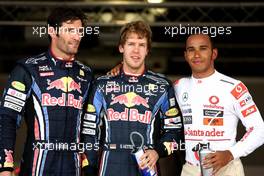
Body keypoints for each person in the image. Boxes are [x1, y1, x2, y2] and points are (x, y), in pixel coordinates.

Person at [81, 21, 184, 176]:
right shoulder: (101, 85)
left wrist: (157, 151)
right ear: (121, 47)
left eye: (142, 45)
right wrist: (88, 168)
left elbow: (175, 131)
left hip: (146, 164)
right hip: (109, 164)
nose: (136, 50)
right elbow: (89, 131)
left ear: (148, 49)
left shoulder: (162, 86)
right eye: (131, 44)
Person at [0, 7, 93, 176]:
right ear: (52, 31)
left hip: (74, 168)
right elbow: (7, 118)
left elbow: (91, 124)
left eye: (80, 31)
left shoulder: (86, 74)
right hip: (36, 167)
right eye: (70, 30)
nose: (77, 36)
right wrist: (5, 166)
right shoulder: (28, 69)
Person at [174, 34, 264, 176]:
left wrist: (230, 153)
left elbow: (259, 129)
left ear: (214, 53)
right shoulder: (178, 87)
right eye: (191, 50)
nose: (196, 54)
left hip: (227, 169)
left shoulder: (234, 88)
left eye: (203, 48)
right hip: (190, 169)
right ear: (185, 55)